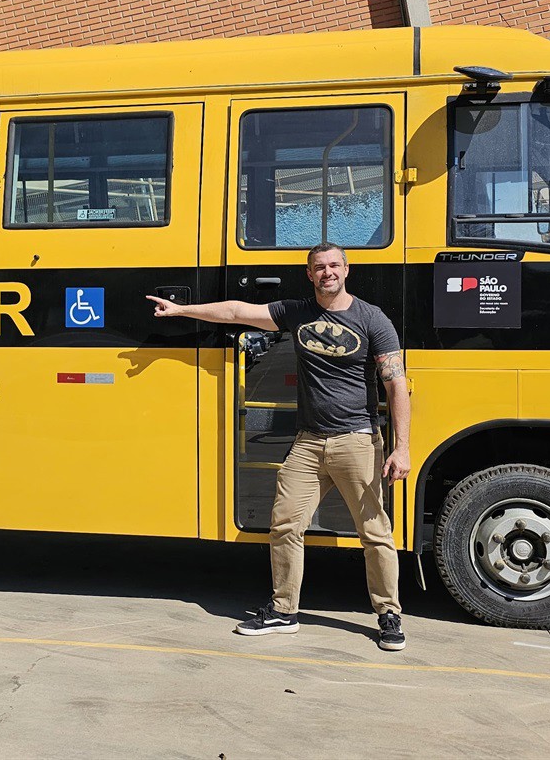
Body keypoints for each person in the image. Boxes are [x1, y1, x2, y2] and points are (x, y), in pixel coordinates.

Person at [146, 242, 411, 652]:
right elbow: (236, 312)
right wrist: (182, 310)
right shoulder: (296, 311)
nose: (327, 273)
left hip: (356, 440)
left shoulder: (371, 319)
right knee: (285, 524)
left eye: (334, 266)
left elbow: (396, 383)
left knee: (374, 533)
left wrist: (401, 447)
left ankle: (388, 615)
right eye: (319, 267)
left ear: (347, 270)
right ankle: (285, 610)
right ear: (310, 274)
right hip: (308, 443)